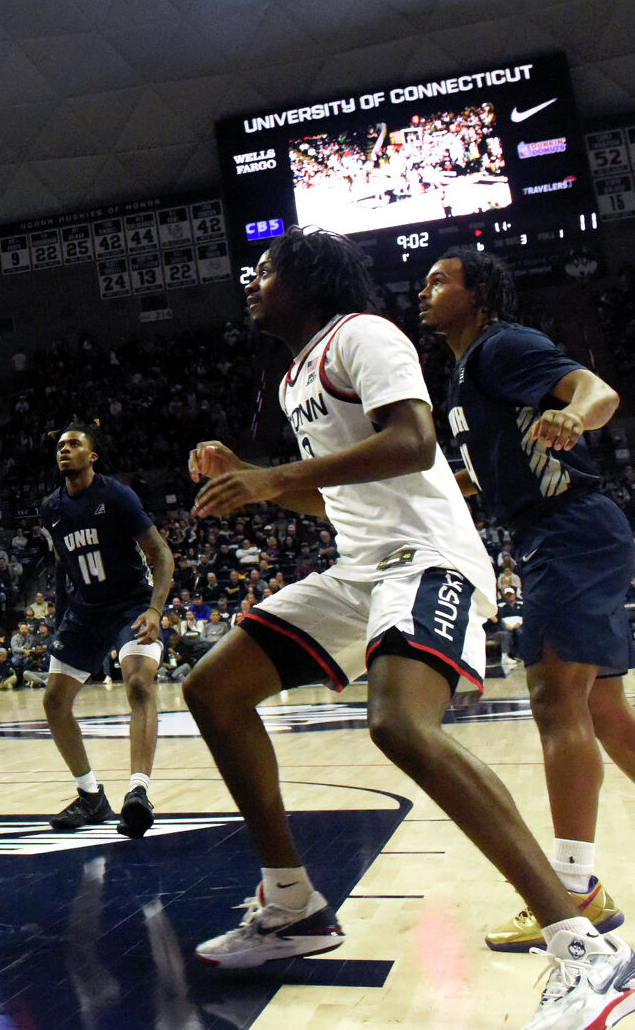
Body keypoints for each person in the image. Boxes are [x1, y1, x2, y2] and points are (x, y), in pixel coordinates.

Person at [183, 228, 630, 1030]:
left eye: (266, 269)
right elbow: (335, 499)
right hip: (363, 567)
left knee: (399, 724)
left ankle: (584, 950)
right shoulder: (293, 378)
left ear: (308, 279)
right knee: (212, 688)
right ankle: (294, 906)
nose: (249, 280)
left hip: (429, 560)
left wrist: (273, 474)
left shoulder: (364, 334)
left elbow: (412, 442)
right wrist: (251, 482)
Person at [421, 249, 635, 950]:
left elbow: (598, 392)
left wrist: (574, 416)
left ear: (477, 293)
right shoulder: (460, 375)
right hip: (566, 533)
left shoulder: (503, 344)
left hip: (567, 530)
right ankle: (581, 887)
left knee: (555, 701)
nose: (423, 292)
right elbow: (496, 471)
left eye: (439, 281)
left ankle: (576, 891)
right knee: (604, 711)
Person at [36, 422, 175, 838]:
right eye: (60, 445)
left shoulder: (116, 496)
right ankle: (91, 796)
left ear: (91, 456)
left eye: (74, 444)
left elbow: (162, 556)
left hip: (131, 604)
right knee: (54, 702)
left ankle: (138, 792)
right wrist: (63, 617)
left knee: (138, 683)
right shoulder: (50, 507)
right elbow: (64, 565)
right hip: (85, 609)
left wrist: (154, 609)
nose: (65, 449)